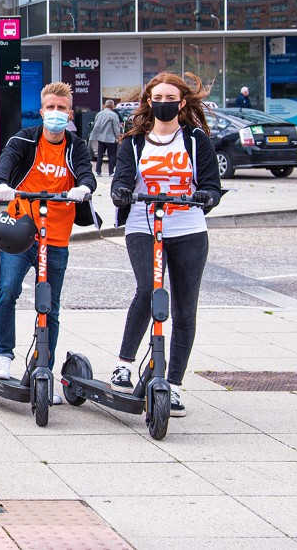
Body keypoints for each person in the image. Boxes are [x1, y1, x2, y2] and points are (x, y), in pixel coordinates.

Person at [109, 72, 222, 417]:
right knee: (148, 290)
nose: (163, 104)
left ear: (182, 103)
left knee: (185, 308)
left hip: (187, 226)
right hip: (144, 223)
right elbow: (121, 180)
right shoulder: (134, 141)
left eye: (169, 97)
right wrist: (121, 193)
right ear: (148, 102)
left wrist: (207, 196)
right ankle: (124, 364)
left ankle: (172, 385)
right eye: (156, 98)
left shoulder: (195, 140)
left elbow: (212, 185)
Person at [0, 82, 97, 392]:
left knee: (50, 304)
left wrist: (83, 188)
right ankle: (3, 354)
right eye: (50, 108)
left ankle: (43, 366)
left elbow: (85, 171)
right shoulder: (25, 138)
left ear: (70, 113)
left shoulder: (75, 145)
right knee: (7, 289)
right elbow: (6, 163)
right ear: (41, 111)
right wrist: (1, 184)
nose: (55, 114)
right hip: (21, 231)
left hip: (57, 237)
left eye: (61, 109)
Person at [90, 100, 123, 177]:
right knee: (112, 155)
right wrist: (118, 137)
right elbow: (116, 128)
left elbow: (95, 125)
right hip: (111, 139)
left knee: (100, 155)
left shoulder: (99, 114)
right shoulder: (113, 115)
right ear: (112, 106)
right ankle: (111, 172)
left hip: (100, 138)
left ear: (105, 105)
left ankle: (98, 171)